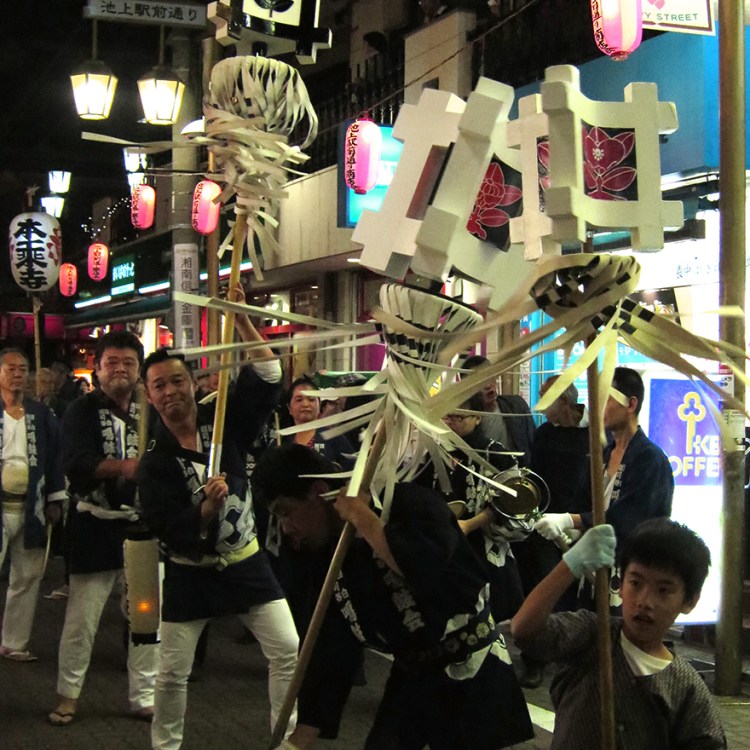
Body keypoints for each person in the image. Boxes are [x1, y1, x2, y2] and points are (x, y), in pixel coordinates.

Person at [252, 443, 534, 750]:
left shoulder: (409, 504)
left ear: (319, 491)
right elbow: (331, 646)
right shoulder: (322, 554)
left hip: (474, 671)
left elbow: (422, 568)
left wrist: (365, 519)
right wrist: (298, 740)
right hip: (412, 677)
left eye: (286, 513)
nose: (286, 528)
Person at [137, 288, 298, 750]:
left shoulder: (223, 420)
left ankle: (285, 742)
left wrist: (242, 317)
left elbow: (268, 377)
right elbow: (166, 527)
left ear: (192, 382)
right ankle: (165, 746)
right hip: (190, 574)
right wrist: (204, 510)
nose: (170, 391)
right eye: (159, 386)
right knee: (171, 672)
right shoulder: (155, 461)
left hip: (246, 562)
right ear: (149, 396)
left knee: (288, 651)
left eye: (177, 381)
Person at [511, 518, 727, 749]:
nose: (644, 601)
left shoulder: (687, 688)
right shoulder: (593, 634)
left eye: (663, 590)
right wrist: (570, 565)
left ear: (690, 601)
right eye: (635, 583)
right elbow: (523, 630)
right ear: (620, 585)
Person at [49, 331, 158, 727]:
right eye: (111, 362)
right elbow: (76, 463)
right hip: (95, 526)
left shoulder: (153, 410)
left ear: (139, 370)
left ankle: (144, 695)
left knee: (146, 619)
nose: (120, 369)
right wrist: (126, 467)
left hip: (142, 530)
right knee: (82, 620)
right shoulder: (80, 411)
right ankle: (68, 695)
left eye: (128, 362)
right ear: (97, 368)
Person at [534, 367, 674, 561]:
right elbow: (584, 500)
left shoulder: (650, 459)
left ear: (631, 404)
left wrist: (571, 520)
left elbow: (628, 518)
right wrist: (575, 530)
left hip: (634, 567)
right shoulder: (603, 454)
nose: (598, 406)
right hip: (597, 566)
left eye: (605, 399)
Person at [415, 392, 524, 621]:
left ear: (477, 417)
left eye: (458, 417)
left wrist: (470, 524)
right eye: (446, 417)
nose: (451, 422)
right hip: (448, 550)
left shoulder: (495, 454)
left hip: (486, 549)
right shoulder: (437, 453)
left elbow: (514, 502)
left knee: (492, 620)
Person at [0, 348, 65, 661]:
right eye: (10, 368)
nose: (17, 374)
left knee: (27, 576)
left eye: (22, 369)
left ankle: (14, 642)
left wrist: (55, 498)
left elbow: (55, 457)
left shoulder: (41, 414)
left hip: (32, 505)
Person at [462, 354, 536, 467]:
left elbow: (532, 443)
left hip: (517, 478)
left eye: (490, 376)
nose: (488, 385)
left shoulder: (516, 406)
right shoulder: (464, 418)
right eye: (480, 380)